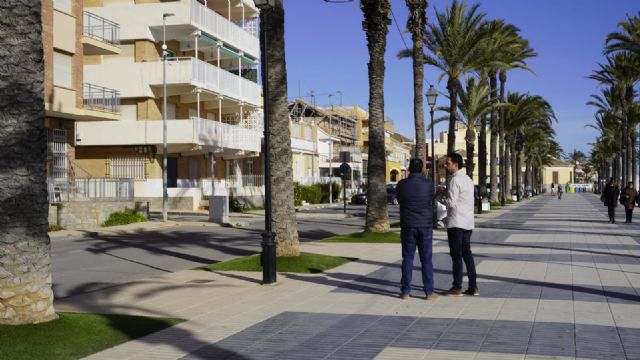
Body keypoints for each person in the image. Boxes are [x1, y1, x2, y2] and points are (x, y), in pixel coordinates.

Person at [395, 158, 437, 301]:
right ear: (422, 169)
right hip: (425, 226)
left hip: (408, 225)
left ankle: (405, 292)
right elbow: (430, 200)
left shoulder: (401, 185)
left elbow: (399, 200)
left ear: (409, 169)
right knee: (426, 260)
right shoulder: (429, 185)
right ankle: (429, 292)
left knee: (407, 258)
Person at [440, 153, 478, 296]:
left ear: (455, 165)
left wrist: (441, 197)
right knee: (467, 254)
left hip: (456, 223)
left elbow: (451, 203)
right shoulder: (468, 179)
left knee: (456, 256)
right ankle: (473, 287)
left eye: (448, 163)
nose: (445, 165)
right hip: (467, 222)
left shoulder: (454, 180)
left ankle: (457, 287)